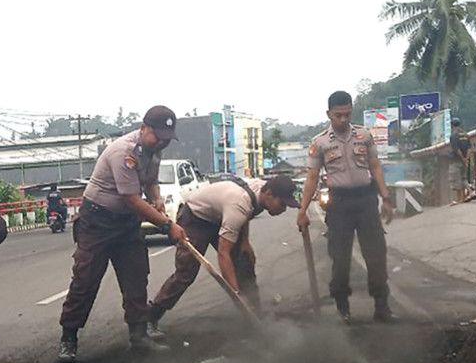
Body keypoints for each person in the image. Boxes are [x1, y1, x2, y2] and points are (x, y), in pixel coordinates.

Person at [57, 105, 187, 363]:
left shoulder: (153, 150)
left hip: (126, 223)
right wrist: (166, 225)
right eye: (158, 135)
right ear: (143, 128)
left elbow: (150, 182)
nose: (162, 142)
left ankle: (138, 336)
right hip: (98, 220)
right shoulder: (123, 152)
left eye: (166, 138)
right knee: (86, 279)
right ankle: (68, 338)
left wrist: (157, 199)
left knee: (136, 275)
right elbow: (129, 198)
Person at [147, 174, 300, 337]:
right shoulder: (239, 205)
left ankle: (254, 314)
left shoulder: (261, 190)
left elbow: (247, 213)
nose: (283, 210)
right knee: (186, 272)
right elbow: (223, 254)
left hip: (221, 215)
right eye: (282, 204)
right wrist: (236, 293)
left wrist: (245, 242)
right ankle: (151, 316)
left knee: (244, 260)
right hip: (196, 218)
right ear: (269, 194)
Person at [297, 90, 396, 324]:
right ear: (329, 114)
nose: (343, 120)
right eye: (338, 115)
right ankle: (343, 309)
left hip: (365, 201)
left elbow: (375, 165)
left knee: (376, 255)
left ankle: (382, 307)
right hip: (338, 204)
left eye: (348, 114)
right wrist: (302, 211)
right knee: (340, 259)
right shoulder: (319, 143)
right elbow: (312, 177)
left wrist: (386, 198)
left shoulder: (364, 135)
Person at [448, 117, 469, 203]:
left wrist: (462, 158)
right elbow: (469, 148)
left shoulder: (453, 135)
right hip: (464, 160)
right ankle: (465, 196)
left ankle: (459, 199)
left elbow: (456, 150)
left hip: (456, 160)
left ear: (452, 125)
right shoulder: (465, 134)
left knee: (456, 179)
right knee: (463, 178)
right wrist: (466, 159)